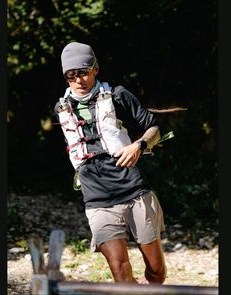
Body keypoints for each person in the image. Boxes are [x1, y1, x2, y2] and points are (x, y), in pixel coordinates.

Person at [54, 41, 167, 284]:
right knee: (120, 272)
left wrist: (140, 145)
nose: (78, 80)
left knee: (157, 272)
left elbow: (154, 127)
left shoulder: (118, 95)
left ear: (95, 69)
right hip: (97, 197)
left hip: (133, 189)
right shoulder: (62, 108)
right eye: (71, 75)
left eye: (83, 72)